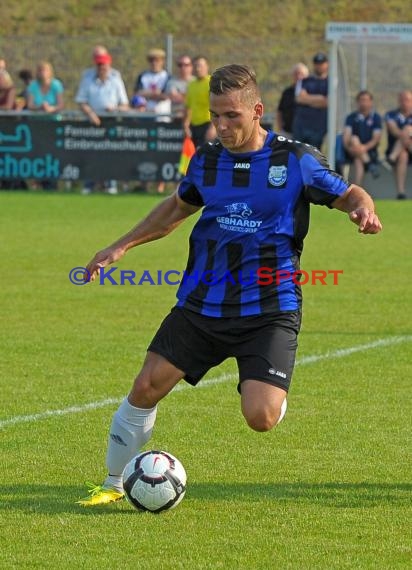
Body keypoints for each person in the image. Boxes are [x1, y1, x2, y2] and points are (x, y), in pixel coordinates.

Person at [77, 64, 382, 507]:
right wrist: (120, 247)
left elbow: (350, 192)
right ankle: (110, 484)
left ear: (257, 111)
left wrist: (364, 209)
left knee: (261, 417)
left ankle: (270, 394)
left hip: (269, 307)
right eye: (215, 116)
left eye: (231, 117)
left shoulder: (295, 160)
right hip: (203, 302)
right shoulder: (207, 159)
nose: (221, 126)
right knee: (146, 386)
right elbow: (174, 210)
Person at [75, 51, 129, 195]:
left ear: (109, 65)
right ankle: (89, 184)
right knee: (92, 153)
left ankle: (110, 183)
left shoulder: (116, 81)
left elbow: (125, 104)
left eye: (104, 64)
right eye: (99, 65)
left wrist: (115, 109)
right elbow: (81, 101)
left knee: (110, 153)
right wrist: (91, 113)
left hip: (111, 120)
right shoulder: (88, 80)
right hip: (93, 121)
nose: (102, 68)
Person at [342, 90, 382, 185]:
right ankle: (370, 165)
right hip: (351, 150)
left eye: (366, 100)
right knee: (354, 139)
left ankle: (357, 190)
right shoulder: (351, 117)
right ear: (357, 102)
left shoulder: (376, 118)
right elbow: (346, 137)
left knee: (358, 160)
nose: (363, 103)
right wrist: (349, 148)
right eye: (361, 100)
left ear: (371, 102)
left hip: (370, 151)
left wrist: (363, 148)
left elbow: (376, 139)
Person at [292, 52, 328, 150]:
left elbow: (327, 102)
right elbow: (299, 98)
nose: (319, 66)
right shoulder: (305, 81)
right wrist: (320, 98)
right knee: (298, 154)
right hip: (301, 126)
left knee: (314, 157)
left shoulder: (330, 82)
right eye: (317, 63)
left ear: (327, 64)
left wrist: (308, 98)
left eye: (321, 63)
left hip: (319, 127)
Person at [384, 90, 412, 199]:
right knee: (403, 155)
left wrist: (408, 131)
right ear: (398, 101)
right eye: (402, 100)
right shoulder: (391, 115)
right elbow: (394, 131)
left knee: (408, 129)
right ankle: (401, 192)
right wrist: (407, 134)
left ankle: (392, 158)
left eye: (408, 100)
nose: (405, 102)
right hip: (397, 149)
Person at [183, 55, 215, 148]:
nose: (198, 69)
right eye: (195, 66)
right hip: (194, 127)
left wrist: (213, 128)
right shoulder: (191, 85)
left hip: (207, 124)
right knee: (195, 156)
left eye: (200, 66)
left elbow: (216, 107)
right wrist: (186, 126)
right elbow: (188, 107)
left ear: (207, 66)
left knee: (208, 155)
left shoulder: (212, 82)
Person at [133, 48, 171, 121]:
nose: (154, 63)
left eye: (157, 60)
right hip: (145, 114)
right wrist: (155, 93)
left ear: (162, 61)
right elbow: (137, 93)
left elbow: (166, 96)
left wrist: (146, 94)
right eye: (151, 60)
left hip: (162, 115)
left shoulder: (167, 77)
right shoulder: (143, 76)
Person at [276, 62, 309, 137]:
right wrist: (280, 129)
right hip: (287, 133)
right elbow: (279, 111)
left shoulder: (312, 92)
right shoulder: (287, 92)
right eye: (296, 74)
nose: (299, 77)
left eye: (301, 74)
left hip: (305, 135)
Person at [166, 55, 194, 119]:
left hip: (193, 117)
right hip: (175, 117)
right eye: (180, 65)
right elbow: (174, 98)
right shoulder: (171, 82)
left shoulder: (196, 82)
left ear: (191, 66)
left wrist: (182, 96)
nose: (183, 67)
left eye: (186, 65)